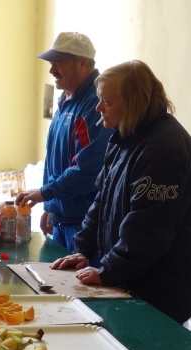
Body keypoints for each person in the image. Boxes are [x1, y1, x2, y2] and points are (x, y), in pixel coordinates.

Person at [52, 60, 191, 324]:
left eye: (107, 102)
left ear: (134, 103)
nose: (98, 108)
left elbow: (149, 230)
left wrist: (107, 271)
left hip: (158, 293)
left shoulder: (164, 148)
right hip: (129, 278)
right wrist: (83, 249)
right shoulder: (123, 136)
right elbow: (101, 199)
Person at [16, 32, 111, 255]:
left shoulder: (93, 106)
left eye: (58, 62)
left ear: (83, 63)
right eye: (51, 63)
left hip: (85, 224)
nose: (51, 70)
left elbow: (86, 170)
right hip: (63, 219)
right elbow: (57, 161)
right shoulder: (66, 101)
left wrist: (46, 193)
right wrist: (51, 206)